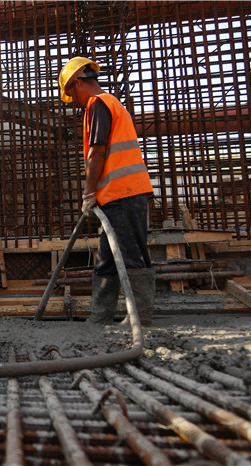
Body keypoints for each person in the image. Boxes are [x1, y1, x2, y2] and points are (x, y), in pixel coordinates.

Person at [58, 56, 156, 326]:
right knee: (108, 258)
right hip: (116, 197)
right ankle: (100, 315)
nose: (74, 101)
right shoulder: (111, 104)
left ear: (78, 83)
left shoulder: (98, 104)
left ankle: (140, 317)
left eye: (71, 93)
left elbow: (97, 152)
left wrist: (88, 193)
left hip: (123, 193)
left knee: (131, 255)